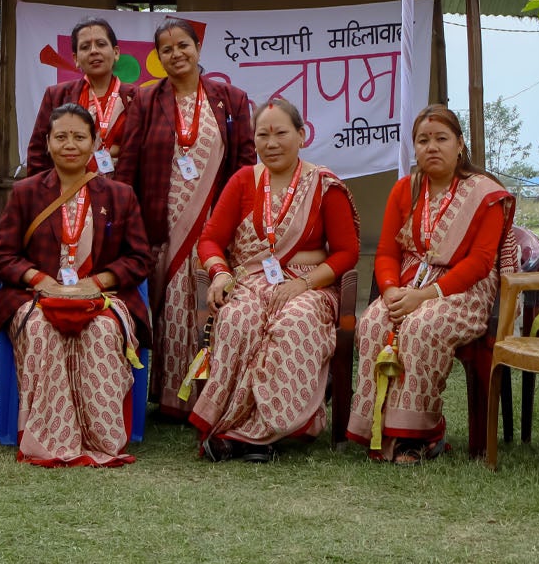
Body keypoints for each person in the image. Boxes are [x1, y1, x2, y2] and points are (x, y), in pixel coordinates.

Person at [190, 99, 360, 462]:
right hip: (250, 280)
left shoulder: (324, 184)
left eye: (281, 133)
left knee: (293, 323)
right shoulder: (243, 181)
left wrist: (304, 284)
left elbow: (346, 252)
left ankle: (266, 432)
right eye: (262, 135)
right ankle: (231, 425)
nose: (272, 142)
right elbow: (209, 239)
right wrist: (219, 273)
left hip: (308, 285)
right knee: (237, 320)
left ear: (301, 136)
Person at [346, 105, 515, 464]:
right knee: (374, 321)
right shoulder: (404, 190)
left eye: (441, 138)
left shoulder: (485, 194)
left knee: (422, 327)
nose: (431, 147)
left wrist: (425, 296)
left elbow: (481, 262)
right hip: (407, 285)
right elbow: (387, 253)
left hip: (463, 291)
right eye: (423, 140)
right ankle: (378, 430)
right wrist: (390, 290)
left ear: (460, 145)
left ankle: (420, 437)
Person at [0, 103, 153, 467]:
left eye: (80, 137)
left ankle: (101, 437)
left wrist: (97, 283)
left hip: (102, 298)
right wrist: (41, 280)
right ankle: (50, 438)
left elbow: (140, 258)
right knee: (40, 331)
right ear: (47, 143)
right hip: (35, 297)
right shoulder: (26, 192)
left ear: (95, 143)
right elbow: (0, 256)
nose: (70, 144)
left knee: (101, 334)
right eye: (60, 137)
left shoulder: (119, 195)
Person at [118, 18, 255, 419]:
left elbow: (245, 164)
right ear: (158, 57)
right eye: (167, 49)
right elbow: (127, 165)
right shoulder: (144, 101)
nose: (176, 54)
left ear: (198, 48)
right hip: (160, 222)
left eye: (183, 46)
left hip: (213, 220)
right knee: (169, 305)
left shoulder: (230, 98)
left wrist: (239, 223)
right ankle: (168, 396)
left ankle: (206, 394)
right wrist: (125, 221)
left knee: (202, 298)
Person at [26, 18, 139, 176]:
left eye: (101, 44)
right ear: (76, 59)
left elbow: (142, 151)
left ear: (116, 53)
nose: (94, 51)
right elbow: (38, 153)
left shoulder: (136, 98)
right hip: (66, 192)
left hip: (121, 192)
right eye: (85, 47)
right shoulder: (57, 95)